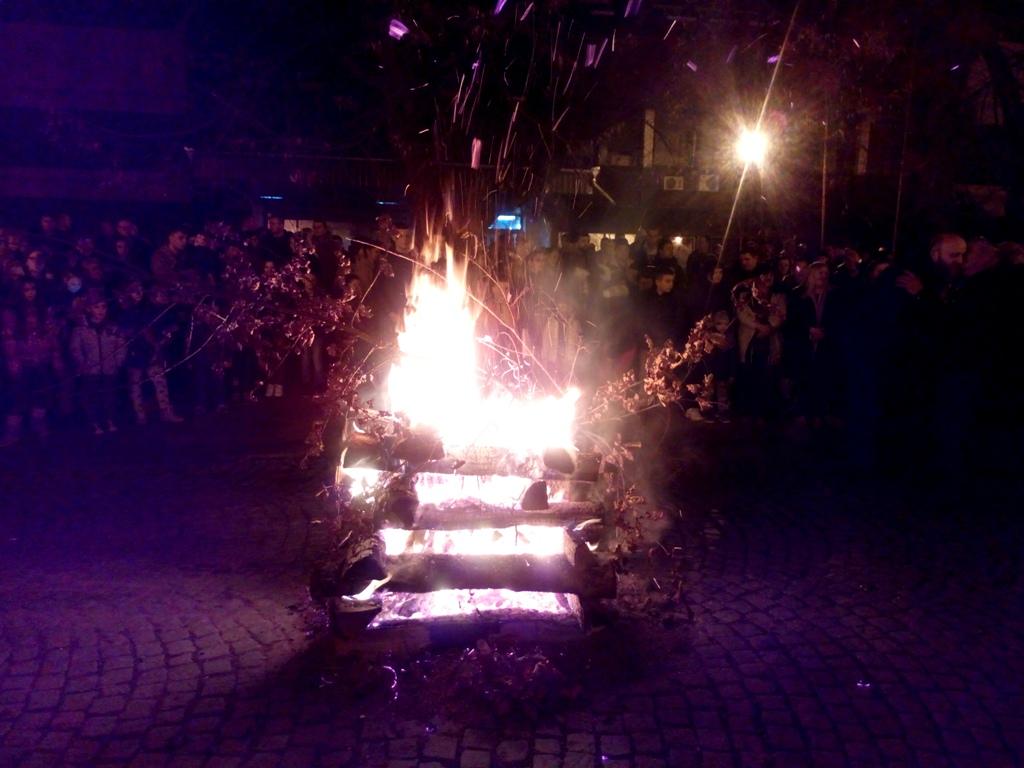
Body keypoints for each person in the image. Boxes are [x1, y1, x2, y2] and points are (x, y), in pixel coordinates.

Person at [1, 280, 63, 446]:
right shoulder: (11, 313)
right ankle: (13, 431)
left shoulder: (44, 310)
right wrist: (13, 361)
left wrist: (56, 357)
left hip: (42, 360)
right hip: (22, 361)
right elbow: (8, 338)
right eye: (26, 289)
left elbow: (52, 335)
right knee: (17, 397)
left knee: (41, 394)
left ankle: (38, 425)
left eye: (33, 289)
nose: (30, 292)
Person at [116, 280, 182, 425]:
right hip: (134, 353)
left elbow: (163, 326)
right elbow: (123, 331)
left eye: (140, 290)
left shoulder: (149, 309)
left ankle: (166, 411)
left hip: (151, 351)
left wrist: (162, 336)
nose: (138, 293)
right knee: (135, 384)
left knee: (160, 381)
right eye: (134, 291)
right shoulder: (126, 311)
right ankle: (139, 414)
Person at [69, 293, 126, 435]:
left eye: (103, 307)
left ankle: (110, 420)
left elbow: (121, 345)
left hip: (109, 368)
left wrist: (118, 362)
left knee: (109, 396)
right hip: (91, 370)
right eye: (96, 307)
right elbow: (75, 348)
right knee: (92, 397)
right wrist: (83, 363)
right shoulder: (81, 329)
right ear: (89, 309)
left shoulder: (113, 327)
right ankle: (94, 423)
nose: (101, 310)